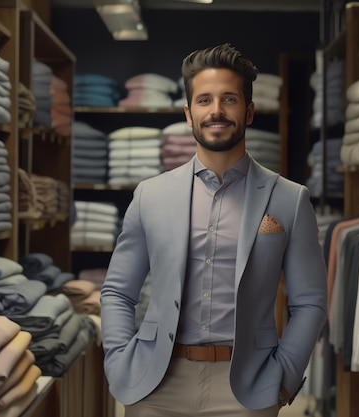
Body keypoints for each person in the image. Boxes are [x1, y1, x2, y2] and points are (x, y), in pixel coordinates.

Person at [100, 43, 328, 417]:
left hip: (247, 389)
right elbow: (117, 291)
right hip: (156, 385)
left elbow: (310, 303)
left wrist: (284, 378)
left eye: (229, 99)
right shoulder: (150, 195)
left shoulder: (290, 199)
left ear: (249, 110)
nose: (216, 110)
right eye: (204, 100)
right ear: (189, 114)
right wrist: (118, 360)